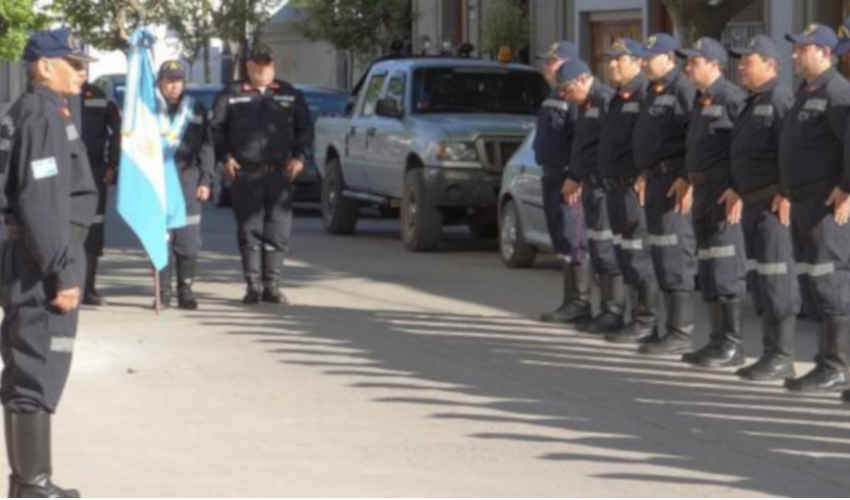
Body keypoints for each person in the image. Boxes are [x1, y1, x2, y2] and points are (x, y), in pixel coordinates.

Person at [0, 28, 98, 497]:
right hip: (38, 263)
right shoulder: (41, 115)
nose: (83, 72)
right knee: (34, 365)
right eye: (73, 63)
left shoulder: (49, 112)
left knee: (35, 365)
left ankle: (32, 482)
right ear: (43, 67)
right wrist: (63, 271)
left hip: (41, 254)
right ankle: (31, 485)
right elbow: (41, 202)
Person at [211, 42, 313, 304]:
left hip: (280, 175)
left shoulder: (289, 93)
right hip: (247, 174)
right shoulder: (232, 94)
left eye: (269, 66)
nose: (265, 71)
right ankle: (253, 286)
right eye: (259, 67)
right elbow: (217, 129)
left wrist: (300, 157)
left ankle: (273, 285)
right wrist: (225, 157)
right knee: (250, 231)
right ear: (249, 67)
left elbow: (305, 129)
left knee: (278, 231)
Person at [779, 24, 850, 394]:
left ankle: (834, 364)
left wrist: (847, 189)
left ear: (824, 52)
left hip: (827, 205)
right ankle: (826, 361)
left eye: (802, 49)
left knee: (831, 281)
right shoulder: (807, 92)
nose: (794, 55)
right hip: (804, 201)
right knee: (816, 281)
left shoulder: (837, 92)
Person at [728, 35, 800, 380]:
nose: (741, 66)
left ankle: (781, 354)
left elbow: (793, 150)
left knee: (777, 280)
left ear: (770, 65)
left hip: (774, 205)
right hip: (752, 203)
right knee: (762, 280)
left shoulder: (780, 99)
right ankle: (770, 350)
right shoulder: (752, 100)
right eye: (740, 61)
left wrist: (787, 192)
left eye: (748, 60)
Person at [675, 37, 749, 368]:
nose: (688, 67)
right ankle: (716, 340)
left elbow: (745, 150)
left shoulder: (733, 99)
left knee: (725, 269)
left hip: (724, 195)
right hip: (702, 193)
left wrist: (738, 189)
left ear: (715, 65)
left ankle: (732, 344)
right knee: (707, 268)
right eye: (687, 62)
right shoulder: (700, 100)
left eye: (694, 62)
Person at [631, 33, 698, 355]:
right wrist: (644, 172)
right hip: (654, 181)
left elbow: (694, 139)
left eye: (649, 56)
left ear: (670, 58)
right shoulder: (650, 91)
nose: (643, 62)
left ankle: (680, 330)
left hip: (674, 182)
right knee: (658, 252)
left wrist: (687, 178)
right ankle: (663, 327)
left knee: (675, 254)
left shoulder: (683, 89)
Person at [595, 38, 660, 345]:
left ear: (636, 62)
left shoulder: (645, 94)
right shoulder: (617, 97)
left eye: (618, 60)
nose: (611, 65)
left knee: (638, 254)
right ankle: (629, 314)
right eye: (609, 59)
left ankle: (645, 319)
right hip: (613, 188)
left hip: (633, 188)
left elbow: (653, 139)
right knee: (623, 252)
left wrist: (646, 173)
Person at [558, 60, 625, 334]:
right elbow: (582, 146)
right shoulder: (585, 104)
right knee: (597, 247)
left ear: (583, 79)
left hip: (604, 186)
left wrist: (578, 176)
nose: (564, 96)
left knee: (607, 248)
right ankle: (602, 309)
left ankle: (614, 311)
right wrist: (575, 175)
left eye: (566, 89)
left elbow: (606, 148)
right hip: (590, 185)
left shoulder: (606, 101)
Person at [532, 41, 590, 326]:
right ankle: (570, 300)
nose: (547, 66)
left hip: (568, 177)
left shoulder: (574, 98)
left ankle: (580, 301)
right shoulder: (552, 95)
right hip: (551, 173)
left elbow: (580, 140)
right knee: (561, 238)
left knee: (574, 238)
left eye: (552, 61)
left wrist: (575, 177)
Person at [154, 61, 215, 309]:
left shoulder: (195, 109)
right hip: (157, 178)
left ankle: (185, 289)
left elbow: (207, 146)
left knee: (188, 238)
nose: (174, 85)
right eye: (169, 80)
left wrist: (206, 179)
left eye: (178, 80)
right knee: (160, 238)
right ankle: (163, 291)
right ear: (160, 82)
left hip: (187, 177)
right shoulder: (148, 108)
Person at [75, 73, 120, 306]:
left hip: (94, 172)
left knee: (93, 229)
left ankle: (88, 287)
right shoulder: (55, 96)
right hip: (64, 172)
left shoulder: (100, 97)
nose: (79, 71)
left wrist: (112, 164)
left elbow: (117, 133)